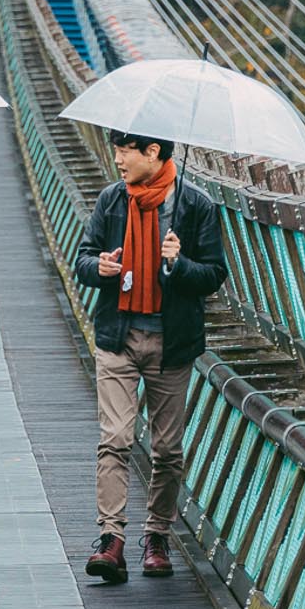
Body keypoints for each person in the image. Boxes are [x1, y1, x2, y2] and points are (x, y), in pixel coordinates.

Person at [73, 131, 227, 583]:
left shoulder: (195, 206)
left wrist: (179, 265)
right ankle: (111, 539)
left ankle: (157, 535)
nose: (117, 159)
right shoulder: (112, 200)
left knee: (167, 449)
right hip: (118, 335)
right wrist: (98, 267)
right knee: (115, 438)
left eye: (124, 150)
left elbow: (214, 274)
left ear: (152, 153)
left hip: (172, 342)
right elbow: (84, 257)